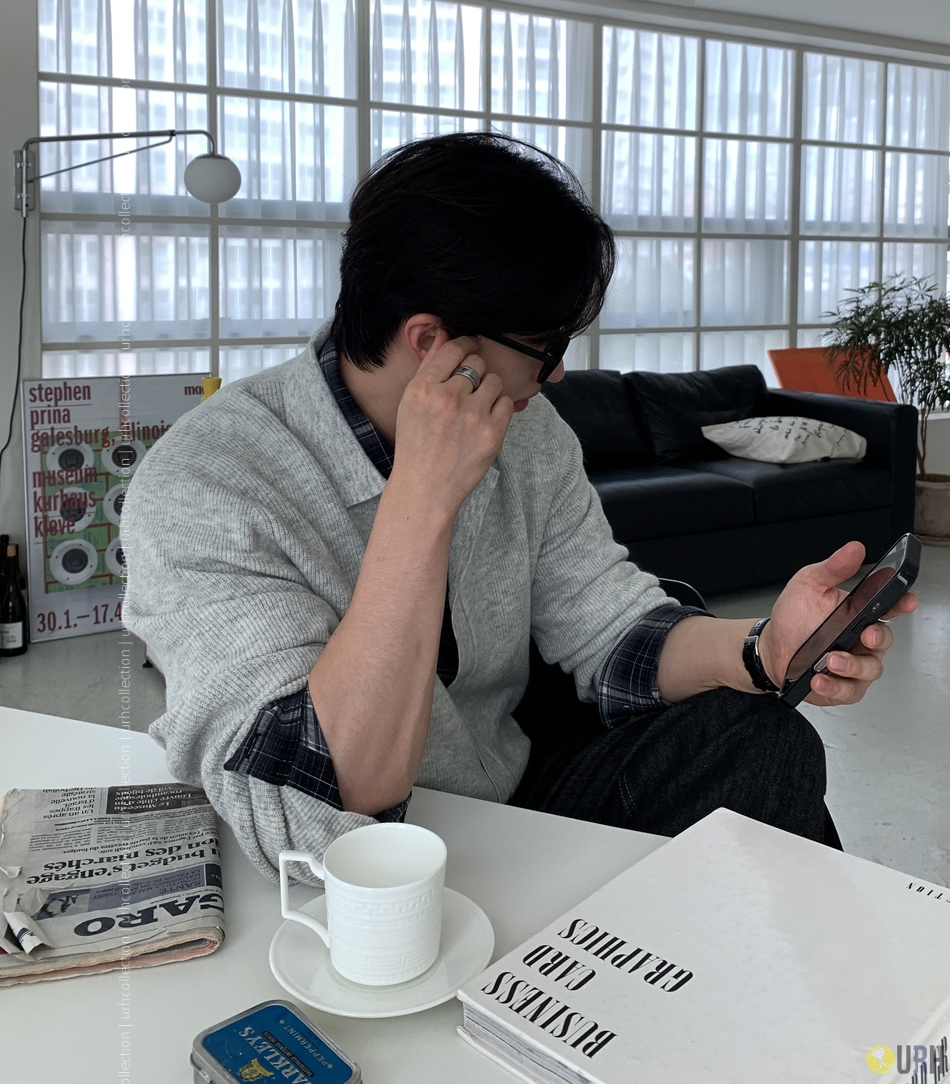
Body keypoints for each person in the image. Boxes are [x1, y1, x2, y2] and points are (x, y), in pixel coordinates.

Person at [120, 132, 916, 882]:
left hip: (510, 799)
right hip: (351, 871)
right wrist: (421, 497)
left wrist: (763, 649)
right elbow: (323, 807)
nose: (559, 372)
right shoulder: (207, 484)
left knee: (766, 738)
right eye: (548, 344)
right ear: (433, 343)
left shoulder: (527, 433)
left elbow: (613, 628)